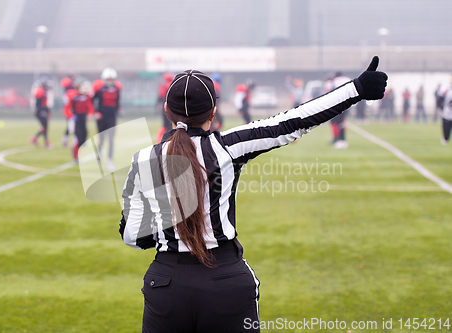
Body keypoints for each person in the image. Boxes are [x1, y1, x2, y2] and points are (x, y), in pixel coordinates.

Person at [119, 57, 387, 333]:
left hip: (166, 284)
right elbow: (292, 122)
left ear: (166, 110)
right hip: (224, 281)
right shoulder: (228, 147)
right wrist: (355, 89)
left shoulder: (143, 160)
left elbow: (133, 237)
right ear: (213, 112)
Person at [93, 68, 122, 171]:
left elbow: (118, 102)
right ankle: (99, 155)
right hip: (101, 117)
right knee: (101, 138)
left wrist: (119, 109)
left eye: (111, 79)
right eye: (108, 79)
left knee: (111, 140)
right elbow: (93, 101)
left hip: (112, 117)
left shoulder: (117, 89)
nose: (110, 81)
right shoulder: (100, 90)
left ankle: (110, 160)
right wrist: (96, 112)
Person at [64, 81, 95, 163]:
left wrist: (90, 114)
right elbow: (67, 108)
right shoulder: (74, 97)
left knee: (84, 137)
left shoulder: (87, 97)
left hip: (83, 119)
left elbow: (90, 106)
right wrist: (71, 116)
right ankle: (75, 156)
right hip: (76, 120)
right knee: (77, 138)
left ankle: (80, 153)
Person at [328, 72, 351, 149]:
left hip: (337, 104)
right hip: (347, 104)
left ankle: (338, 140)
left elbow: (331, 92)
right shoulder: (347, 79)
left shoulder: (335, 81)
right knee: (341, 122)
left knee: (335, 122)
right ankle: (342, 139)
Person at [30, 77, 53, 149]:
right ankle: (46, 142)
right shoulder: (40, 91)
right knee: (45, 127)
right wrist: (43, 111)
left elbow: (45, 104)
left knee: (44, 127)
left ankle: (35, 138)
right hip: (40, 111)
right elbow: (39, 103)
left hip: (42, 110)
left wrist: (48, 111)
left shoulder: (44, 91)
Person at [156, 73, 174, 143]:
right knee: (170, 124)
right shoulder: (172, 85)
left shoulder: (164, 86)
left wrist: (158, 104)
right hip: (171, 106)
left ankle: (163, 139)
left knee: (165, 124)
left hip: (165, 105)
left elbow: (161, 96)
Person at [61, 73, 77, 147]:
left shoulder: (73, 90)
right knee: (71, 126)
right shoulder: (68, 92)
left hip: (72, 108)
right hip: (69, 110)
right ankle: (67, 140)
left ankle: (66, 140)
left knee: (72, 126)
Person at [439, 81, 452, 145]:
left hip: (447, 112)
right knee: (446, 128)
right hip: (447, 113)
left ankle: (445, 139)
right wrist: (442, 107)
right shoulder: (447, 90)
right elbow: (439, 97)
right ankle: (445, 138)